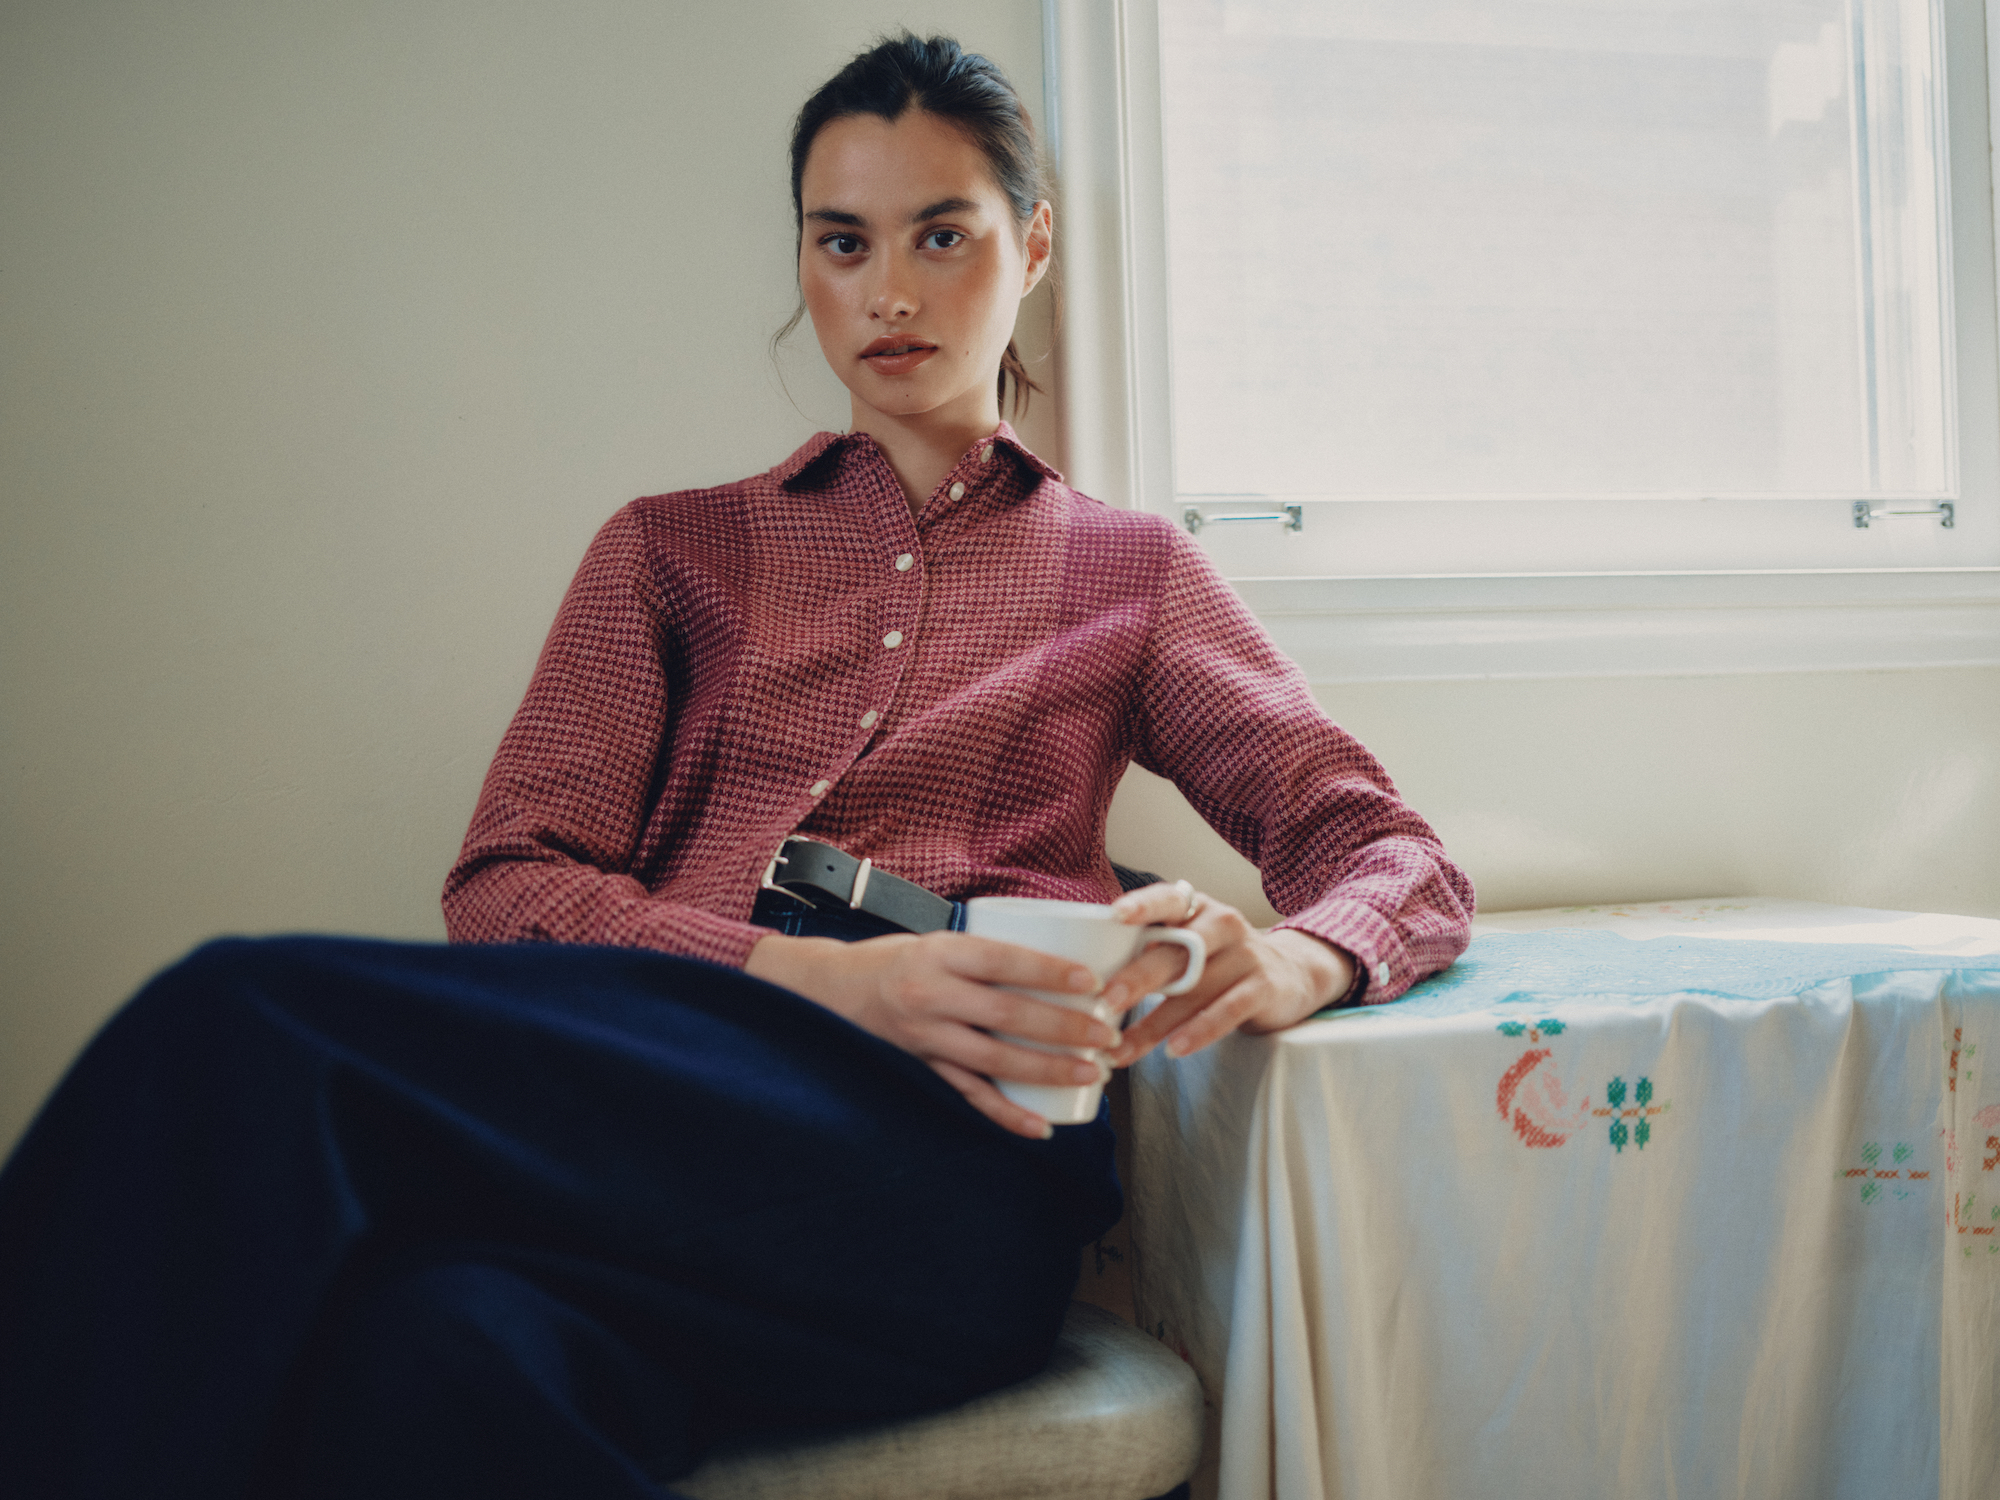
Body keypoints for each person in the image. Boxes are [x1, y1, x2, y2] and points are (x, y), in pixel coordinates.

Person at [0, 32, 1472, 1500]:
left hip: (950, 1165)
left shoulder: (1131, 572)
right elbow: (505, 887)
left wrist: (1294, 963)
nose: (887, 293)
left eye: (941, 235)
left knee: (233, 1015)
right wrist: (823, 979)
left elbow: (1388, 852)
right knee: (444, 1352)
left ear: (1030, 248)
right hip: (663, 1089)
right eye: (843, 242)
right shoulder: (671, 549)